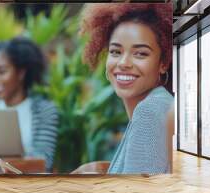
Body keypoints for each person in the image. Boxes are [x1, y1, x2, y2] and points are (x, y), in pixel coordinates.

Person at [72, 3, 174, 174]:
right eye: (115, 52)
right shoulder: (160, 103)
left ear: (163, 63)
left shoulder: (149, 111)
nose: (123, 63)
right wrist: (101, 169)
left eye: (140, 53)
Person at [0, 37, 59, 172]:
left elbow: (44, 162)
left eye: (1, 71)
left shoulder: (44, 111)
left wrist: (1, 165)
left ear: (21, 73)